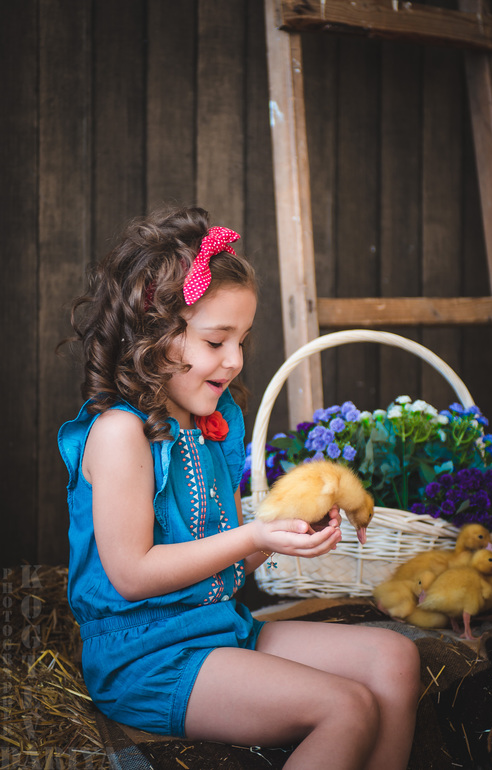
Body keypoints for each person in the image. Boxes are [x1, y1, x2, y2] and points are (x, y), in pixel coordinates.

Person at [58, 205, 420, 770]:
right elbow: (132, 574)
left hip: (222, 628)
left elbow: (226, 558)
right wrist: (254, 534)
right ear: (153, 336)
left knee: (395, 659)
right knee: (345, 706)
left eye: (243, 340)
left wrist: (280, 534)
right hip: (148, 656)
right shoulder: (119, 434)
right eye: (215, 341)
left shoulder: (214, 425)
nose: (234, 361)